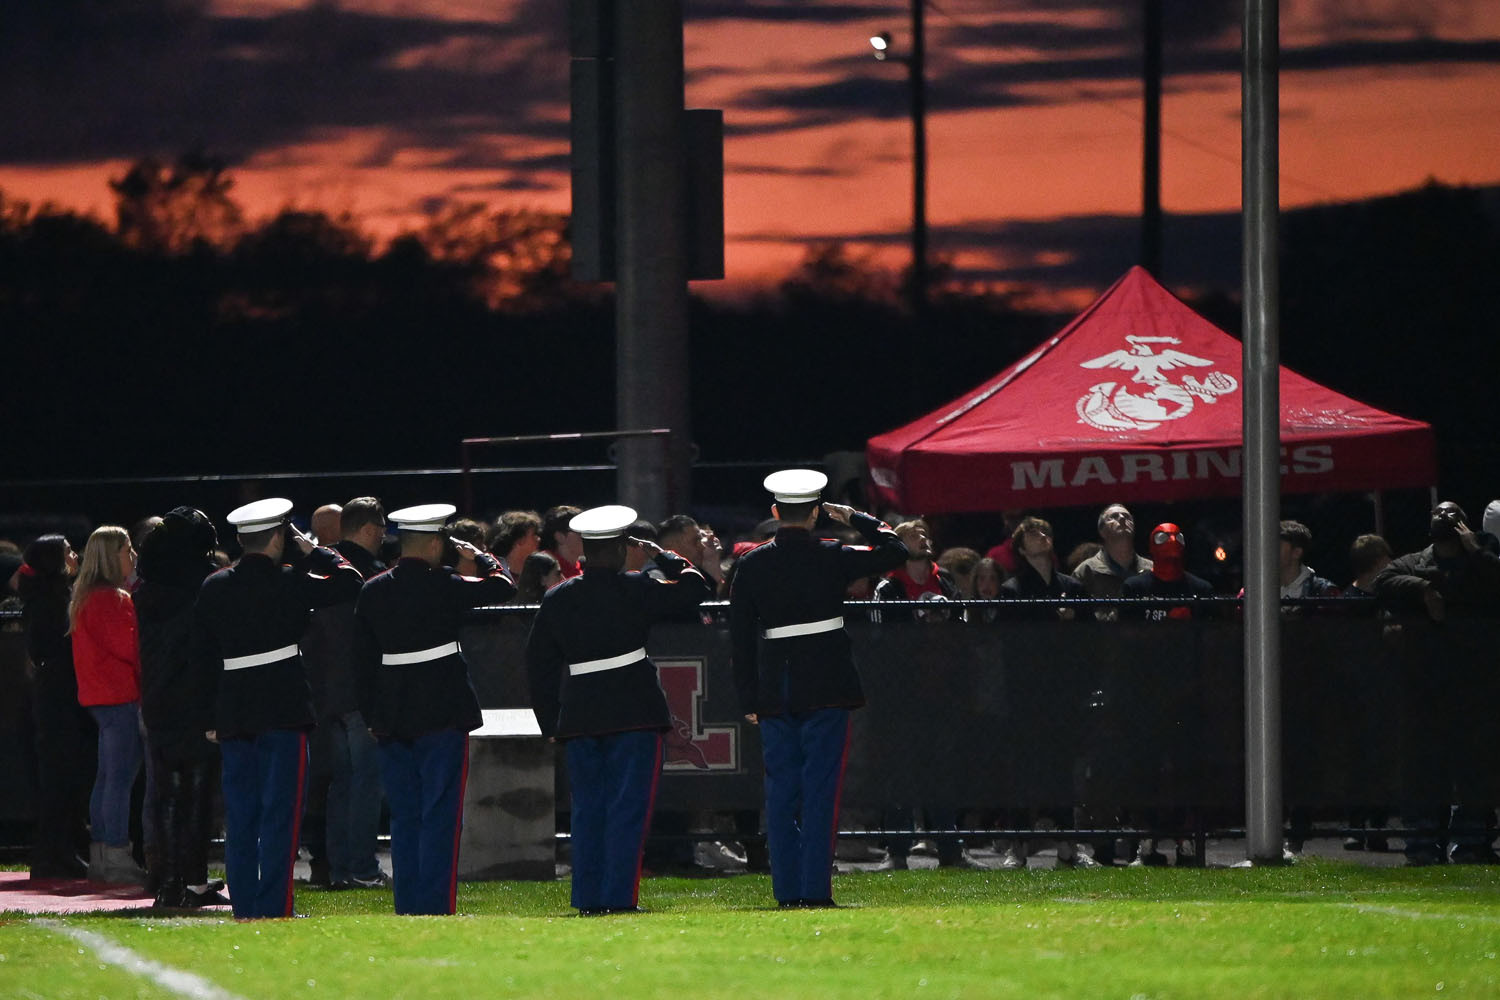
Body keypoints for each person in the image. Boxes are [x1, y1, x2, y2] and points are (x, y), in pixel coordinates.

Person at [730, 470, 907, 908]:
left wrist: (749, 697)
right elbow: (896, 550)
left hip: (776, 688)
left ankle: (786, 890)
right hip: (827, 683)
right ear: (815, 513)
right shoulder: (832, 554)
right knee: (821, 790)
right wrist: (856, 517)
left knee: (781, 792)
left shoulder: (751, 563)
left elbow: (738, 638)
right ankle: (814, 890)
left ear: (775, 513)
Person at [525, 505, 711, 914]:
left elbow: (538, 664)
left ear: (585, 553)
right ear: (624, 548)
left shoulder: (558, 597)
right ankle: (619, 898)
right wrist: (662, 554)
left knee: (589, 811)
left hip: (580, 715)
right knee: (628, 810)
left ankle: (588, 898)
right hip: (634, 712)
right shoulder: (636, 587)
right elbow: (698, 586)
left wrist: (549, 722)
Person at [193, 498, 363, 919]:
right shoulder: (292, 578)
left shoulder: (214, 585)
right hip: (283, 706)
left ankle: (244, 906)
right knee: (280, 813)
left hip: (233, 708)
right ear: (278, 536)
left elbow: (200, 656)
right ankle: (273, 906)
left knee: (242, 815)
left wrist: (209, 716)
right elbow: (350, 581)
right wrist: (313, 549)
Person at [354, 502, 516, 914]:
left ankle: (407, 903)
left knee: (405, 816)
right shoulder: (446, 583)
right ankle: (436, 904)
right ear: (433, 542)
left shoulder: (373, 589)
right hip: (442, 709)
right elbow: (503, 585)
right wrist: (478, 557)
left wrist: (372, 715)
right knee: (441, 812)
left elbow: (360, 661)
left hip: (392, 712)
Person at [1375, 500, 1500, 865]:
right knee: (1425, 767)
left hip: (1476, 682)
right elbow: (1384, 580)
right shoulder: (1415, 562)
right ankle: (1424, 842)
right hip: (1426, 683)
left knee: (1475, 768)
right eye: (1438, 515)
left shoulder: (1481, 561)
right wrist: (1424, 589)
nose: (1444, 521)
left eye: (1451, 517)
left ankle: (1471, 841)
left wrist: (1476, 552)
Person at [136, 507, 230, 908]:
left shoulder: (148, 587)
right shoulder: (202, 585)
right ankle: (188, 882)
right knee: (196, 792)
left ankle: (168, 880)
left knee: (166, 792)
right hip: (194, 697)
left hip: (157, 697)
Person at [301, 496, 390, 891]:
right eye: (383, 529)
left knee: (340, 782)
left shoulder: (317, 567)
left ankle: (338, 867)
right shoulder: (368, 574)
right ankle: (361, 867)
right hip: (360, 692)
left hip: (321, 691)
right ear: (370, 529)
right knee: (365, 782)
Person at [70, 525, 149, 885]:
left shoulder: (86, 596)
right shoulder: (113, 598)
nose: (131, 556)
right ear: (110, 555)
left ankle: (102, 854)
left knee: (107, 777)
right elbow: (130, 650)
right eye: (126, 549)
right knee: (119, 778)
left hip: (99, 697)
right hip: (119, 695)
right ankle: (116, 855)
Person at [17, 535, 93, 879]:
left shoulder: (48, 595)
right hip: (57, 696)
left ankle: (59, 850)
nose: (74, 555)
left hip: (56, 694)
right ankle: (55, 853)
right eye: (67, 551)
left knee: (62, 774)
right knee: (59, 774)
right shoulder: (52, 600)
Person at [1072, 504, 1153, 621]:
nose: (1122, 518)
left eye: (1127, 517)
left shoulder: (1151, 569)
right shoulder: (1086, 571)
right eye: (1113, 516)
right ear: (1102, 531)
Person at [489, 510, 543, 578]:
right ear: (520, 540)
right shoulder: (496, 578)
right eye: (534, 534)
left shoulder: (535, 577)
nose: (538, 539)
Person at [541, 506, 584, 580]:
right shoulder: (544, 568)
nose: (586, 536)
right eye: (580, 532)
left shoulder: (578, 567)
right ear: (560, 537)